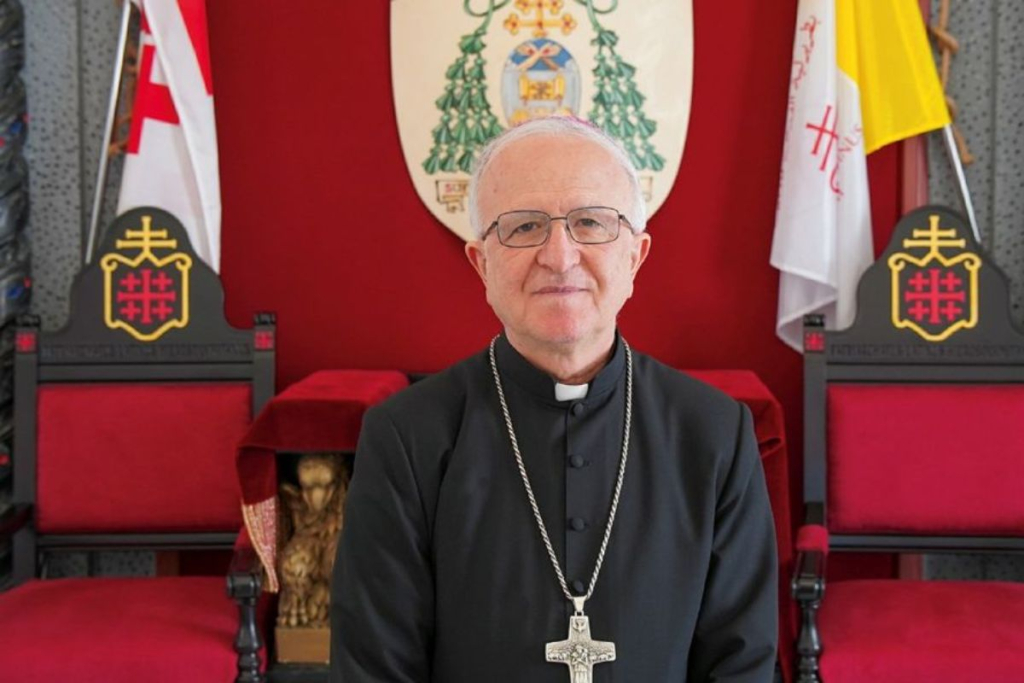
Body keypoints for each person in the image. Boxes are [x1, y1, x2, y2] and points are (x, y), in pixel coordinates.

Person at [331, 116, 778, 682]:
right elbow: (374, 669)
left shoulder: (713, 433)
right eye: (524, 227)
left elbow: (742, 663)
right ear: (481, 263)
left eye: (590, 222)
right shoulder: (407, 438)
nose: (560, 256)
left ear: (635, 257)